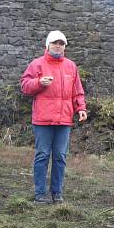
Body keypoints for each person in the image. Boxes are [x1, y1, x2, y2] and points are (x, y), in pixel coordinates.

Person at [20, 31, 88, 204]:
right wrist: (38, 83)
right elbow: (25, 86)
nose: (58, 46)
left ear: (64, 46)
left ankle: (57, 194)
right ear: (47, 45)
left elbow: (77, 91)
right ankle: (40, 194)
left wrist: (81, 108)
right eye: (55, 43)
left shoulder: (71, 66)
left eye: (61, 43)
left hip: (64, 119)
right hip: (43, 119)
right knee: (42, 155)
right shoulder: (37, 64)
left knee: (60, 156)